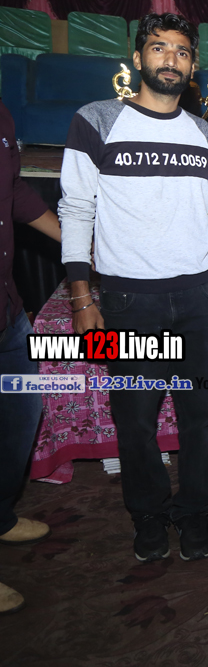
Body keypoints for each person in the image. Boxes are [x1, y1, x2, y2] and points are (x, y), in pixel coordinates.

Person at [59, 12, 208, 562]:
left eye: (182, 51)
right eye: (159, 48)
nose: (171, 60)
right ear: (138, 58)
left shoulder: (204, 134)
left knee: (200, 417)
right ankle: (148, 514)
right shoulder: (96, 120)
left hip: (200, 299)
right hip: (129, 300)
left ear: (193, 66)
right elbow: (76, 210)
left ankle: (195, 510)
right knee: (135, 420)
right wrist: (81, 297)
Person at [0, 102, 62, 613]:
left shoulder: (1, 114)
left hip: (7, 308)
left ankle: (0, 514)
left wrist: (77, 241)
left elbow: (13, 190)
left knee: (22, 412)